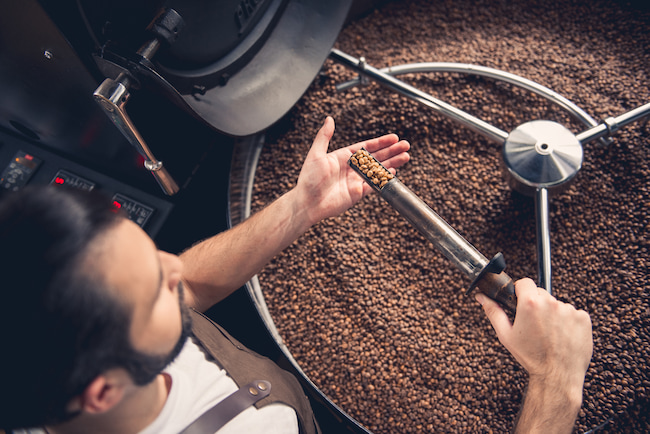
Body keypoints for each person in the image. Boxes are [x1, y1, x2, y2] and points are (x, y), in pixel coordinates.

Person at [0, 117, 592, 434]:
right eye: (158, 289)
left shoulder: (56, 356)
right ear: (100, 391)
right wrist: (556, 384)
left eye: (153, 251)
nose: (175, 266)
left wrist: (300, 206)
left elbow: (190, 287)